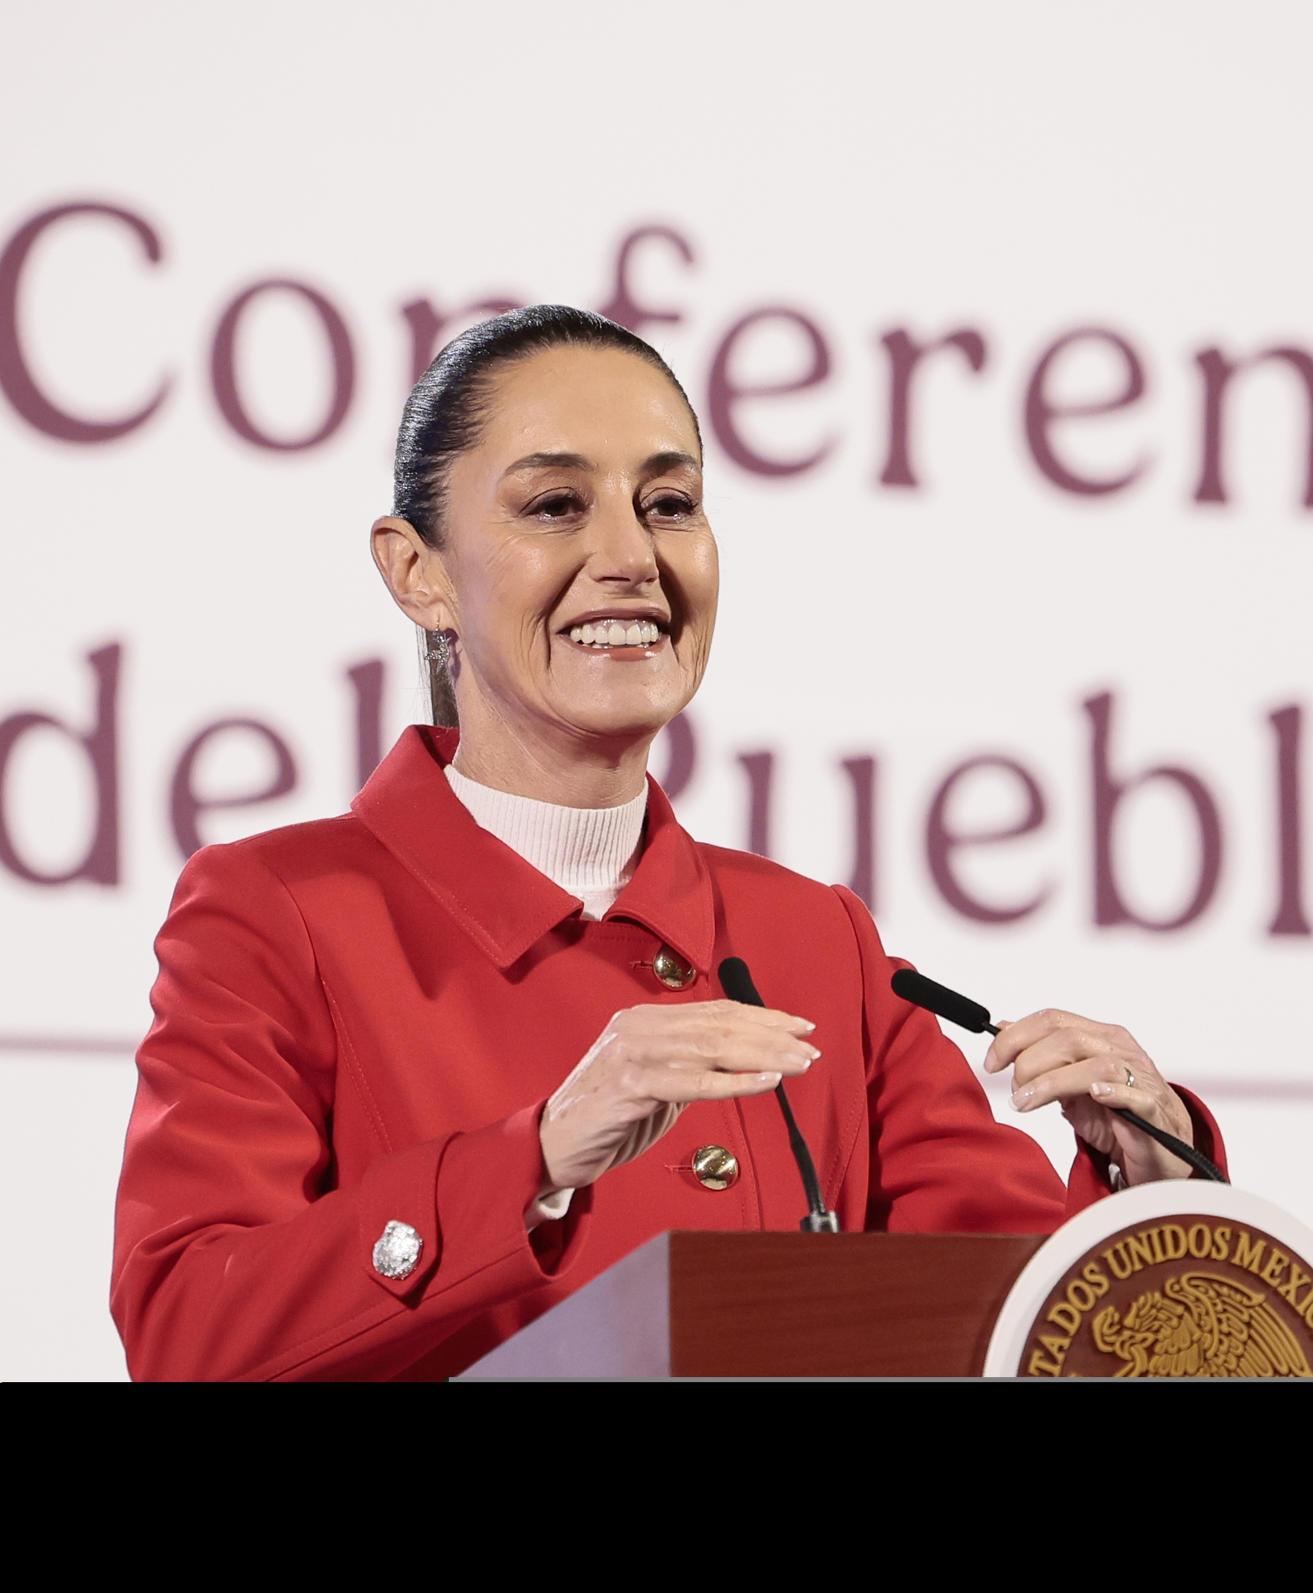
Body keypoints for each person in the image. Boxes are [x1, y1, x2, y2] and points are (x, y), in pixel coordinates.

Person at [110, 306, 1224, 1381]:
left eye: (668, 502)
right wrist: (533, 1160)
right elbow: (184, 1331)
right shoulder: (278, 910)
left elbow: (996, 1317)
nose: (630, 557)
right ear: (418, 573)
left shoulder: (811, 938)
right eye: (554, 505)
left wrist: (1146, 1179)